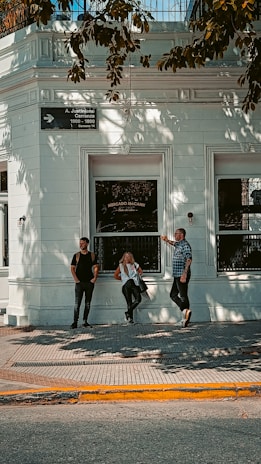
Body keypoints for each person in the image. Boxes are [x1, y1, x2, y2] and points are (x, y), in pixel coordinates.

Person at [161, 228, 192, 327]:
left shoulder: (185, 245)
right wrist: (166, 240)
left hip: (182, 274)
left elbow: (189, 259)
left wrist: (185, 273)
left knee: (183, 296)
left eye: (176, 234)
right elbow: (173, 243)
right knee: (173, 295)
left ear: (182, 235)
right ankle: (185, 312)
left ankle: (184, 318)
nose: (174, 235)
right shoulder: (179, 244)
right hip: (177, 274)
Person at [70, 237, 99, 329]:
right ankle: (75, 322)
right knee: (77, 303)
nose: (81, 245)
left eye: (82, 243)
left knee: (87, 303)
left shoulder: (92, 255)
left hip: (89, 282)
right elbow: (72, 268)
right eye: (80, 243)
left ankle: (85, 321)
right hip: (79, 283)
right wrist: (76, 279)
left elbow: (96, 267)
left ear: (87, 244)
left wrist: (95, 277)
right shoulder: (76, 255)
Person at [114, 251, 143, 323]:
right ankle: (131, 319)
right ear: (123, 258)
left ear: (131, 258)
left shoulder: (134, 264)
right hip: (126, 285)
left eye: (128, 257)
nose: (127, 258)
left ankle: (128, 312)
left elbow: (141, 271)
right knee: (129, 302)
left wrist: (137, 274)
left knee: (138, 299)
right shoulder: (121, 265)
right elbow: (115, 275)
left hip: (134, 284)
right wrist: (123, 279)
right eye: (125, 257)